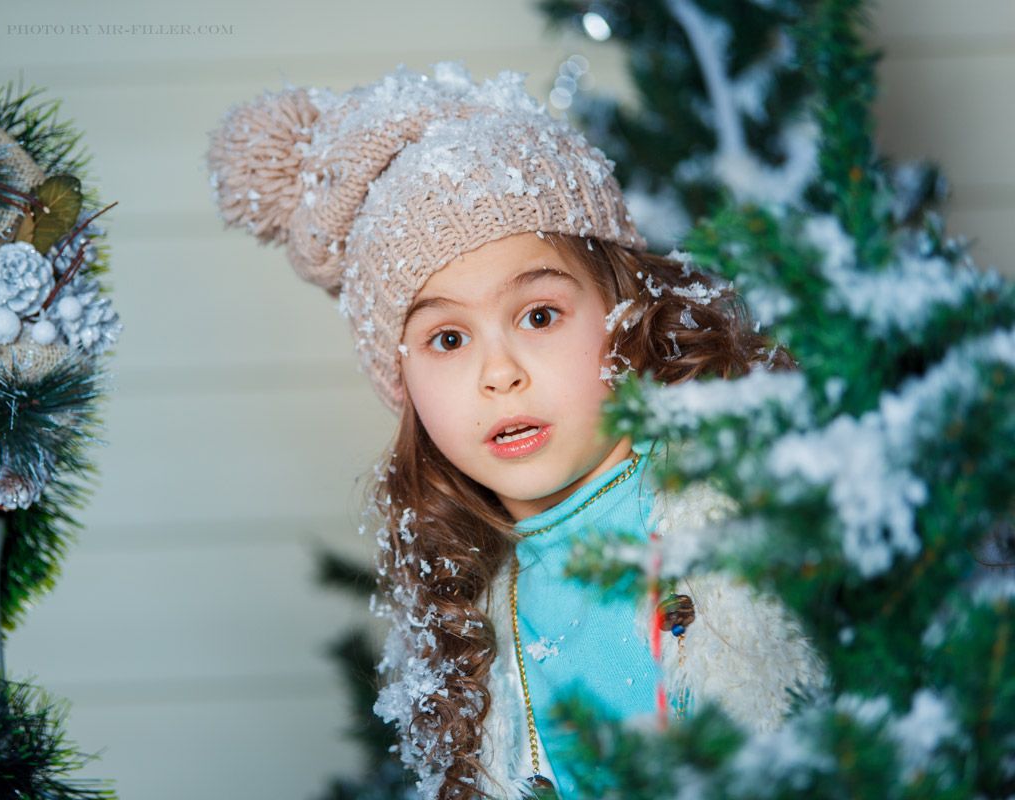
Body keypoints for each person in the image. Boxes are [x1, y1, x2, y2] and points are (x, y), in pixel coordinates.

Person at [207, 61, 827, 800]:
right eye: (447, 339)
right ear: (405, 388)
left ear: (625, 312)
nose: (498, 373)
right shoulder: (474, 621)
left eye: (538, 315)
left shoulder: (758, 503)